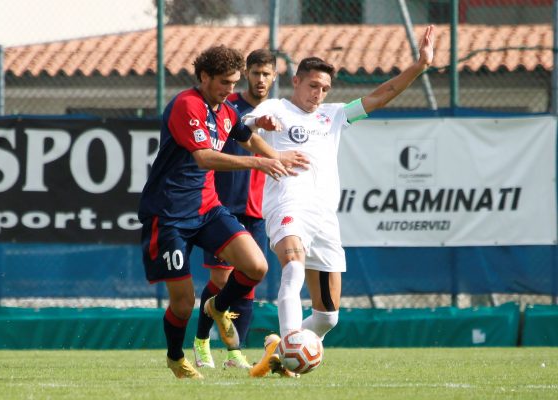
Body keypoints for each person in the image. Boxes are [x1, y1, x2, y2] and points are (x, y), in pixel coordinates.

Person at [247, 25, 436, 377]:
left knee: (328, 315)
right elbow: (246, 128)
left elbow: (381, 95)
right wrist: (262, 124)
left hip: (324, 218)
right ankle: (289, 348)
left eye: (324, 88)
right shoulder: (276, 107)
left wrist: (420, 65)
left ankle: (279, 346)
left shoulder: (334, 115)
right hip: (287, 205)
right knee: (292, 269)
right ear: (297, 82)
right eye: (313, 85)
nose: (318, 93)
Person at [138, 45, 309, 379]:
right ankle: (176, 358)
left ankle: (217, 305)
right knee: (183, 303)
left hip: (207, 208)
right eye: (224, 83)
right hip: (169, 214)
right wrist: (260, 163)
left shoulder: (227, 110)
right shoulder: (187, 104)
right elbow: (204, 157)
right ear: (204, 77)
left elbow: (247, 138)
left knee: (256, 266)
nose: (231, 90)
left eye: (234, 83)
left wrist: (277, 156)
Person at [193, 49, 278, 370]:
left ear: (274, 77)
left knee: (249, 281)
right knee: (220, 278)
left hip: (256, 209)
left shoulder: (280, 111)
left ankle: (234, 353)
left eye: (265, 74)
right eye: (254, 73)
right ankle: (202, 343)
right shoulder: (229, 107)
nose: (259, 79)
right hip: (222, 204)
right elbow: (244, 128)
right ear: (246, 75)